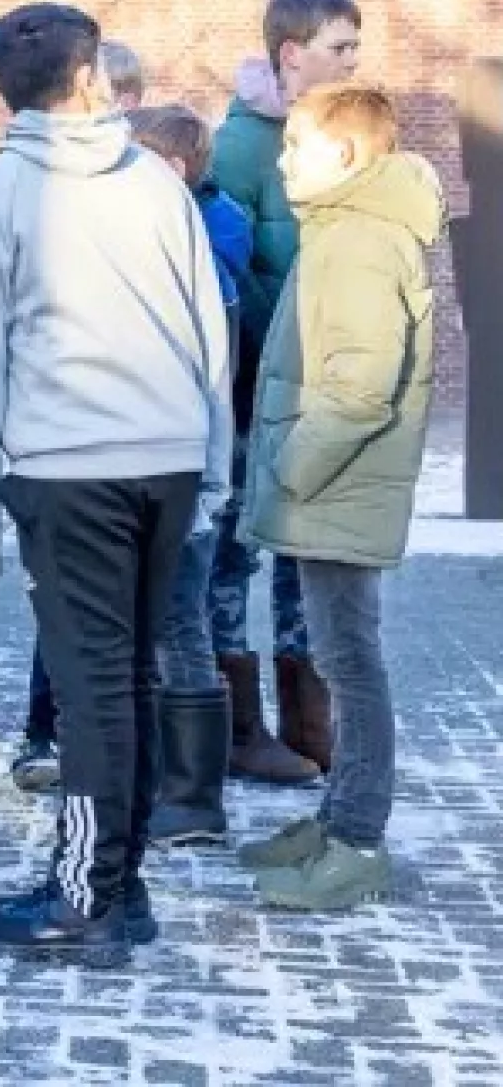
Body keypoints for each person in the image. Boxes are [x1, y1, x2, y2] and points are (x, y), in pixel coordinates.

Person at [0, 4, 230, 966]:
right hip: (168, 458)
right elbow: (208, 331)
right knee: (129, 676)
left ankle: (83, 901)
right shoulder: (156, 181)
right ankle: (120, 883)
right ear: (90, 77)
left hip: (68, 469)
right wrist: (213, 464)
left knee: (91, 689)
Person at [237, 83, 442, 913]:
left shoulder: (358, 239)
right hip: (334, 489)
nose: (283, 158)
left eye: (297, 144)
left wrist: (288, 469)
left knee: (351, 664)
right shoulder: (346, 228)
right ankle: (335, 823)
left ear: (348, 154)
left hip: (336, 489)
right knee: (341, 658)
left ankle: (355, 840)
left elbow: (359, 389)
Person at [209, 0, 363, 782]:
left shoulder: (344, 138)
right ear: (292, 53)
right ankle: (236, 728)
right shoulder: (239, 149)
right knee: (236, 553)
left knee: (307, 553)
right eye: (341, 47)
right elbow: (229, 278)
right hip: (252, 391)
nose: (354, 61)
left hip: (323, 391)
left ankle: (310, 724)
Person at [10, 39, 146, 796]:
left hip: (138, 433)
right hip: (63, 433)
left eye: (121, 98)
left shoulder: (152, 192)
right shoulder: (38, 189)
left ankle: (116, 746)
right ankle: (47, 732)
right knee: (61, 601)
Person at [125, 103, 254, 848]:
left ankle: (193, 796)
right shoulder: (181, 257)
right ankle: (174, 784)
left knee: (177, 624)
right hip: (181, 472)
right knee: (170, 624)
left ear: (171, 169)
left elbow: (206, 386)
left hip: (184, 476)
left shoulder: (194, 268)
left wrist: (204, 484)